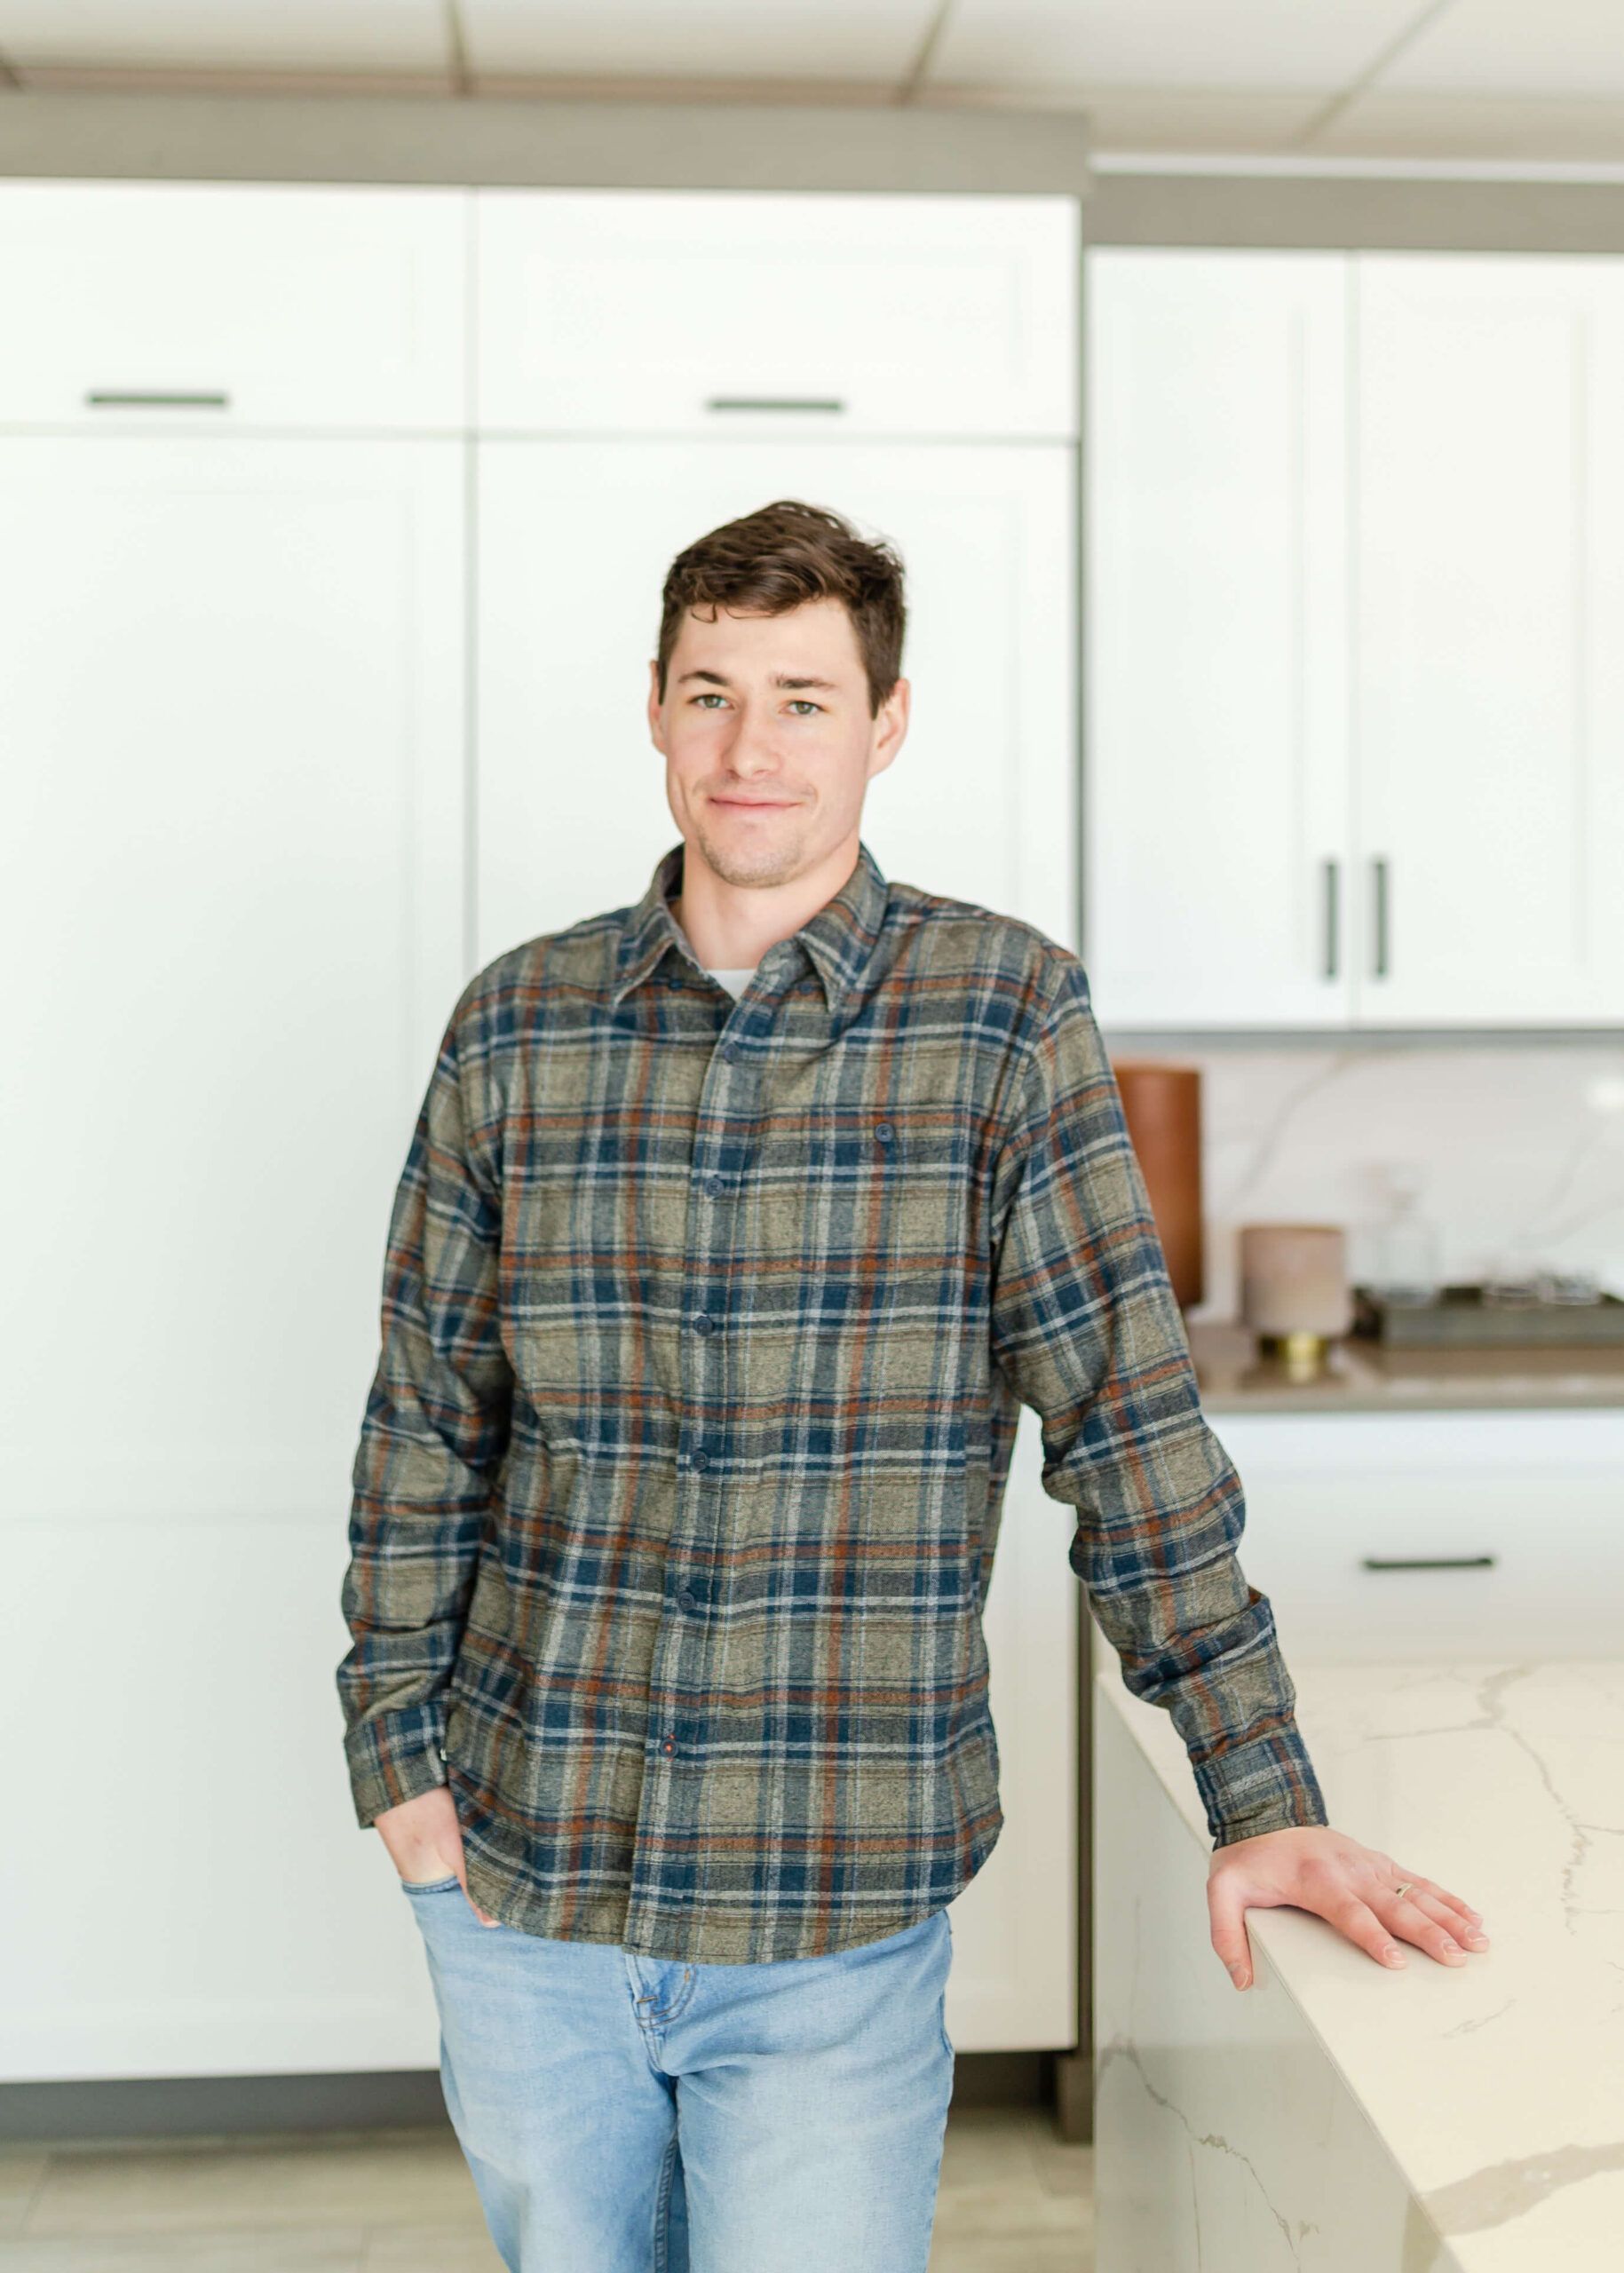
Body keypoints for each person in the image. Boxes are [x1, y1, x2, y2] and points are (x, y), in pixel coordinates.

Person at [335, 497, 1488, 2273]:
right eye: (712, 688)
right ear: (653, 705)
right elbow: (425, 1423)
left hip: (833, 1893)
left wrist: (1265, 1793)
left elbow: (1129, 1429)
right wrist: (397, 1755)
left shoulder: (1001, 1018)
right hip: (520, 1864)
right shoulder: (520, 1024)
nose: (749, 743)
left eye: (804, 696)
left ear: (886, 723)